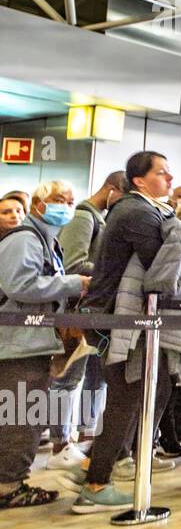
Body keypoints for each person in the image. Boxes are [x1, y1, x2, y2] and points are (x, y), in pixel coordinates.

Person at [71, 152, 181, 513]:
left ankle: (95, 464)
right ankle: (96, 483)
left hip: (116, 316)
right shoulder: (138, 212)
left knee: (152, 387)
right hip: (114, 318)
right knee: (129, 393)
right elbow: (160, 266)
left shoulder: (141, 209)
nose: (169, 178)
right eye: (162, 173)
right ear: (139, 180)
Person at [0, 180, 88, 510]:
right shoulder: (26, 239)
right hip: (18, 344)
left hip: (28, 343)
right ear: (38, 204)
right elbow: (21, 284)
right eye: (57, 200)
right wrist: (74, 283)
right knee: (21, 417)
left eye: (69, 200)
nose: (65, 206)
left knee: (19, 415)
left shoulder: (46, 242)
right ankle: (9, 486)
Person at [48, 171, 126, 469]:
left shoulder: (100, 218)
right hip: (77, 309)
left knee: (95, 377)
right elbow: (73, 264)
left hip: (95, 311)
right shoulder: (84, 217)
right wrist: (110, 273)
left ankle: (83, 435)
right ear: (113, 189)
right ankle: (59, 443)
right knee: (68, 377)